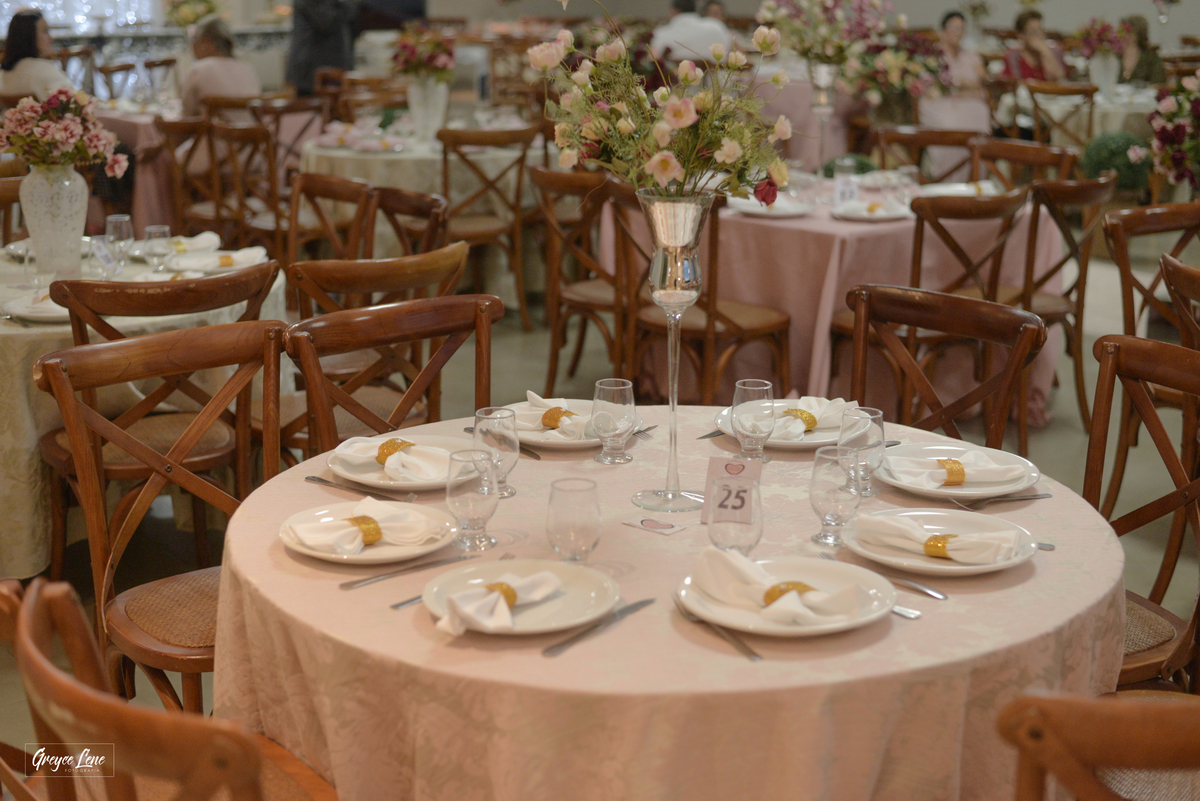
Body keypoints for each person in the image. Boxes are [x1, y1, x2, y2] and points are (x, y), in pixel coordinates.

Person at [180, 16, 261, 117]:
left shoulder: (198, 70)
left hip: (215, 128)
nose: (192, 48)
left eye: (194, 41)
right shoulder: (247, 68)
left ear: (206, 42)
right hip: (255, 127)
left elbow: (187, 114)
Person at [285, 0, 359, 96]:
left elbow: (352, 15)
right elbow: (326, 22)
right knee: (312, 103)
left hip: (336, 64)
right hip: (311, 68)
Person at [0, 9, 73, 100]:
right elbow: (75, 102)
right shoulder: (44, 70)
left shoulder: (4, 73)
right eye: (45, 31)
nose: (50, 38)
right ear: (29, 36)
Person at [650, 0, 732, 60]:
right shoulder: (717, 27)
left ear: (674, 11)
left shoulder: (659, 34)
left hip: (673, 79)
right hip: (717, 78)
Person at [1003, 9, 1064, 82]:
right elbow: (1015, 83)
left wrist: (1045, 52)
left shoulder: (1055, 52)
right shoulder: (1014, 56)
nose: (1039, 35)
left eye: (1041, 30)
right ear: (1021, 35)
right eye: (1033, 32)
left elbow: (1058, 80)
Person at [939, 10, 986, 96]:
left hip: (972, 98)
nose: (958, 33)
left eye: (961, 29)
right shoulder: (935, 56)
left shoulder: (971, 55)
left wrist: (967, 84)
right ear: (943, 31)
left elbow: (983, 79)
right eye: (954, 28)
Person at [1120, 14, 1167, 85]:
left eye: (1128, 32)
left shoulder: (1151, 58)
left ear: (1138, 34)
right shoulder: (1114, 57)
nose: (1123, 35)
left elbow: (1159, 83)